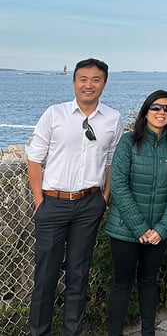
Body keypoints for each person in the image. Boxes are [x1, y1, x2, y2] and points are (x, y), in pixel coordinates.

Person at [26, 58, 123, 336]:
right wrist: (39, 202)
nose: (88, 85)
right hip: (52, 203)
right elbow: (34, 159)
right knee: (45, 277)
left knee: (78, 277)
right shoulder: (54, 114)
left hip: (89, 204)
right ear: (74, 82)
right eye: (83, 79)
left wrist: (104, 198)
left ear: (104, 83)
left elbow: (110, 161)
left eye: (95, 80)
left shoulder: (113, 119)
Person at [106, 90, 167, 335]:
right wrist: (140, 228)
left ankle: (148, 331)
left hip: (158, 233)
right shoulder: (128, 142)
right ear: (145, 111)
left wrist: (161, 228)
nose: (161, 112)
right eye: (156, 107)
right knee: (122, 285)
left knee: (149, 282)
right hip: (125, 229)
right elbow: (118, 185)